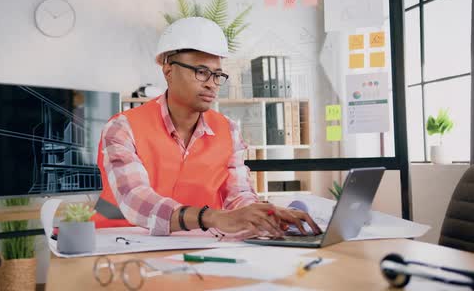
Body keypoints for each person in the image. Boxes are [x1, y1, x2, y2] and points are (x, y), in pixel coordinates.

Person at [92, 17, 321, 237]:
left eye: (218, 75)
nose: (212, 84)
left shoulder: (228, 131)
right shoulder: (123, 127)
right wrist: (211, 217)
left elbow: (239, 196)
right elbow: (136, 199)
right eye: (201, 72)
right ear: (168, 70)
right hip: (120, 246)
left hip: (201, 249)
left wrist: (263, 214)